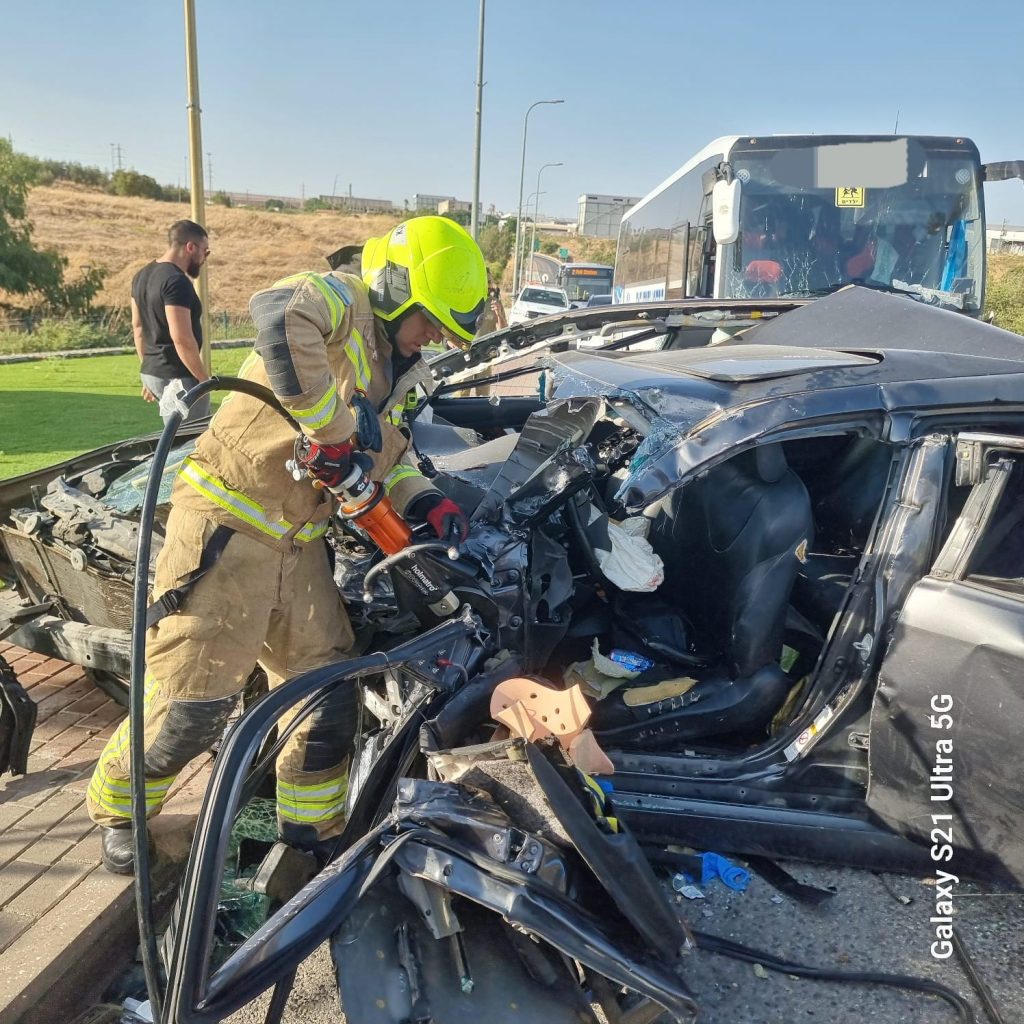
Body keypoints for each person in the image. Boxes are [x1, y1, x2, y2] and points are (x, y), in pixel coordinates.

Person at [87, 216, 486, 873]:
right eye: (431, 321)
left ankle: (310, 838)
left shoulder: (397, 374)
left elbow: (390, 457)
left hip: (298, 549)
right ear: (395, 288)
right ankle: (120, 810)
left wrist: (427, 502)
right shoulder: (338, 299)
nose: (435, 338)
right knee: (191, 709)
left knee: (325, 697)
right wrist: (332, 427)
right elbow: (276, 316)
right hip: (224, 529)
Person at [131, 219, 212, 424]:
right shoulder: (176, 282)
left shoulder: (141, 276)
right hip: (178, 377)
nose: (205, 258)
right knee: (190, 444)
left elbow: (138, 328)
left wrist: (149, 370)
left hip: (153, 373)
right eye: (205, 251)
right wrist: (203, 381)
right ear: (190, 247)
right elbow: (182, 338)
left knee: (174, 439)